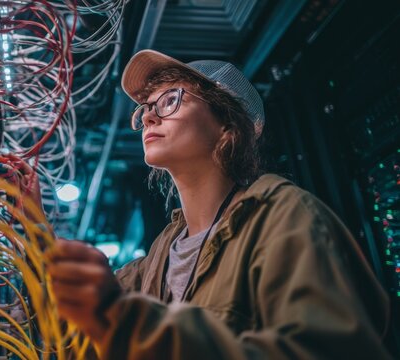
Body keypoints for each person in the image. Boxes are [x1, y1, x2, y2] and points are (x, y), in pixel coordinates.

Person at [42, 50, 392, 359]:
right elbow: (83, 336)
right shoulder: (163, 251)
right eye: (147, 108)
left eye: (170, 100)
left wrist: (127, 321)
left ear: (227, 124)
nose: (148, 117)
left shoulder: (282, 215)